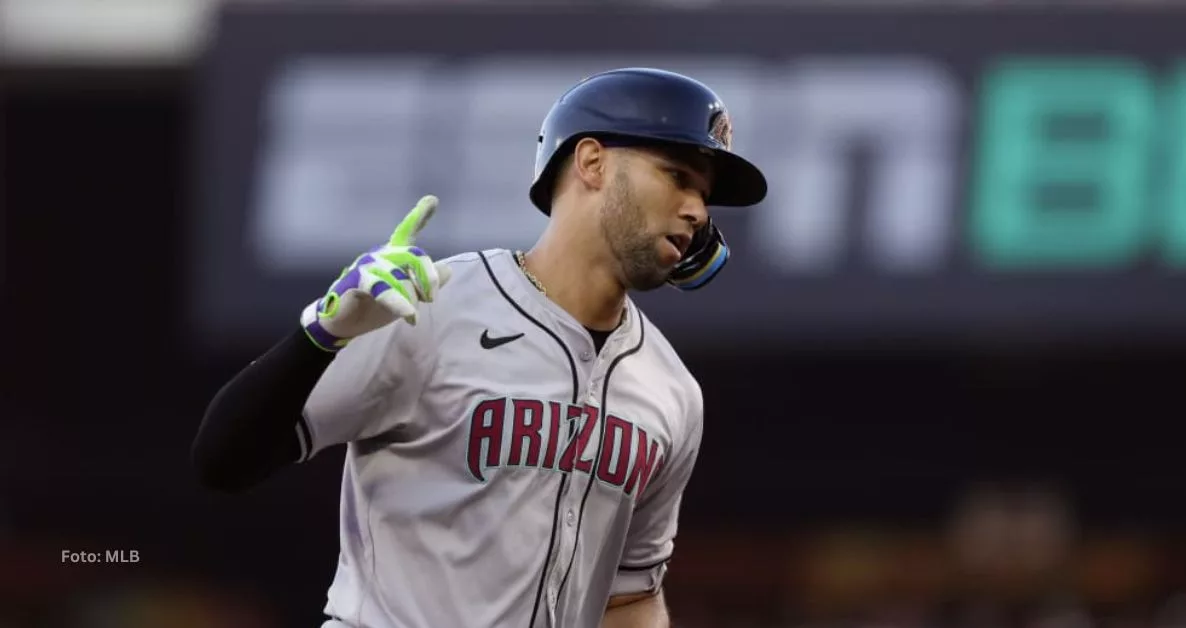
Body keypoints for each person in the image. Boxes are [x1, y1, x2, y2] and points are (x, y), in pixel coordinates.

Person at [191, 67, 768, 628]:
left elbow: (628, 597)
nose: (697, 210)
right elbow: (223, 461)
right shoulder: (431, 306)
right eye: (678, 176)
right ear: (592, 162)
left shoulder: (671, 391)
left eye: (704, 193)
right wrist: (320, 336)